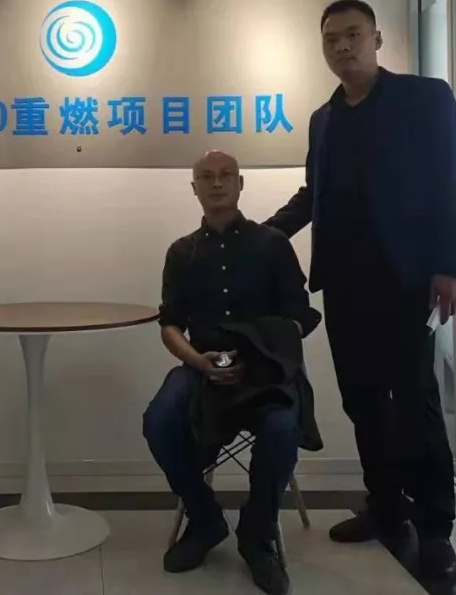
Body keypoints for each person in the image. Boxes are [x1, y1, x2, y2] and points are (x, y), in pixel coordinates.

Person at [264, 0, 456, 581]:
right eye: (331, 38)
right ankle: (386, 508)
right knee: (363, 401)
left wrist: (453, 265)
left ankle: (435, 527)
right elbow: (315, 194)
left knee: (414, 403)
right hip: (344, 283)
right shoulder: (324, 118)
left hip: (406, 281)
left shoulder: (424, 98)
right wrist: (263, 234)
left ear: (377, 39)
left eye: (353, 35)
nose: (342, 47)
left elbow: (454, 180)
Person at [143, 150, 321, 595]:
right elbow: (170, 325)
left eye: (226, 175)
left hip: (265, 371)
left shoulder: (272, 244)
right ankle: (205, 520)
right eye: (207, 177)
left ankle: (256, 535)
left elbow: (300, 316)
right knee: (159, 419)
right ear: (195, 188)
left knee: (282, 427)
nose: (217, 183)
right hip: (202, 366)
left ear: (240, 184)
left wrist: (263, 352)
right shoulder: (181, 252)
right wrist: (198, 361)